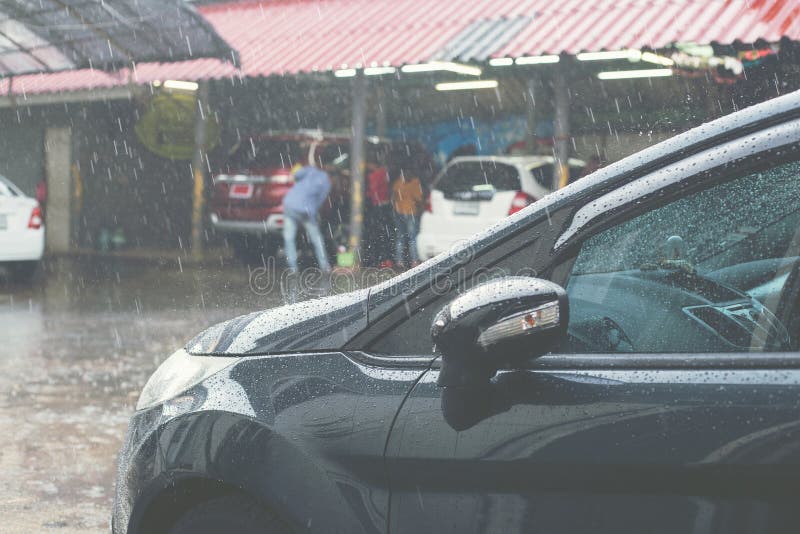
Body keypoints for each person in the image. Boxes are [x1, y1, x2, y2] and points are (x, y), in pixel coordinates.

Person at [282, 163, 331, 272]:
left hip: (290, 205)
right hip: (306, 210)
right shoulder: (326, 182)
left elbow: (296, 174)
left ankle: (292, 267)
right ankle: (325, 266)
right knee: (317, 239)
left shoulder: (310, 170)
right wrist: (313, 212)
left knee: (289, 238)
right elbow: (320, 201)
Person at [391, 168, 424, 269]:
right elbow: (418, 199)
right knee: (413, 238)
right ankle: (414, 261)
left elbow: (393, 197)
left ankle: (399, 261)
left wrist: (396, 207)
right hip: (410, 212)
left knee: (400, 238)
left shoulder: (398, 182)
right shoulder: (415, 182)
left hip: (399, 212)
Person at [364, 160, 393, 267]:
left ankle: (382, 259)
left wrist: (366, 194)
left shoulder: (374, 175)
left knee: (378, 233)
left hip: (378, 206)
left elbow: (373, 190)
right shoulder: (385, 172)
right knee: (386, 233)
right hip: (386, 205)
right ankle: (388, 259)